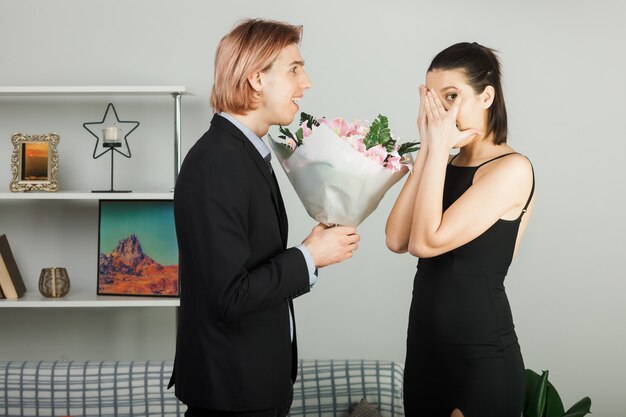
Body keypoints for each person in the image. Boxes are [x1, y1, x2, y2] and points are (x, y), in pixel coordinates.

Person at [169, 19, 360, 417]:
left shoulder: (244, 153)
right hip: (233, 397)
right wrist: (310, 256)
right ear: (256, 79)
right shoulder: (218, 162)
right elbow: (230, 295)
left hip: (254, 389)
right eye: (294, 69)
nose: (305, 82)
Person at [386, 42, 535, 417]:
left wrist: (437, 151)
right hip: (424, 354)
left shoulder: (511, 169)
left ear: (487, 96)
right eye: (433, 100)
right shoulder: (441, 160)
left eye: (452, 97)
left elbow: (426, 242)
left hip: (481, 358)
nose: (442, 113)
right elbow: (397, 239)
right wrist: (429, 150)